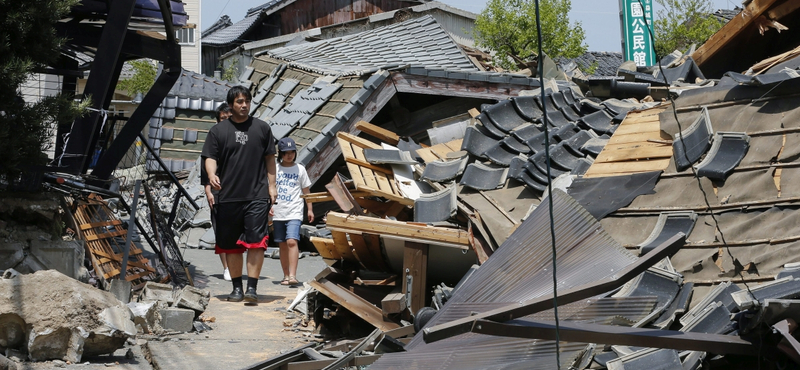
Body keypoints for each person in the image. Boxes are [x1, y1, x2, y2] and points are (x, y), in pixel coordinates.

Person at [201, 85, 277, 305]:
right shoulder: (218, 131)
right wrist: (211, 174)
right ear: (231, 105)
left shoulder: (262, 128)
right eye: (239, 102)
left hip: (256, 195)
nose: (244, 105)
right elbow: (210, 156)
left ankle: (252, 288)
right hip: (228, 196)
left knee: (256, 242)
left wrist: (272, 186)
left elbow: (270, 158)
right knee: (231, 245)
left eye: (247, 101)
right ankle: (236, 288)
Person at [271, 137, 313, 286]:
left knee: (291, 241)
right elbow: (268, 189)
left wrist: (310, 209)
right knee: (282, 244)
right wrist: (268, 206)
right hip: (278, 211)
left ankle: (293, 275)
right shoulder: (274, 169)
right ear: (280, 154)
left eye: (291, 152)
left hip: (294, 210)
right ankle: (286, 275)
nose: (289, 155)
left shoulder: (300, 169)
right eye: (285, 153)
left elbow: (306, 191)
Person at [201, 103, 232, 280]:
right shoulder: (213, 138)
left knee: (236, 231)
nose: (226, 122)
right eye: (223, 119)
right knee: (221, 230)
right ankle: (226, 267)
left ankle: (235, 265)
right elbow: (204, 171)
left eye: (229, 118)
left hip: (236, 191)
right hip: (217, 192)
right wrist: (208, 191)